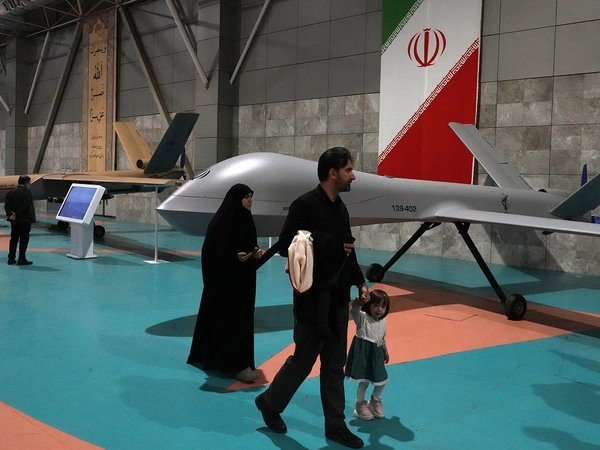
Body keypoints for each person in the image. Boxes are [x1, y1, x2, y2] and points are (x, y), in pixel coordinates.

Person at [255, 147, 369, 449]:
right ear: (333, 173)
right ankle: (269, 403)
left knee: (334, 365)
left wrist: (360, 281)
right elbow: (285, 245)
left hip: (338, 297)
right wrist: (327, 242)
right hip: (311, 299)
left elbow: (348, 249)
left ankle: (336, 426)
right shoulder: (304, 205)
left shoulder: (341, 208)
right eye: (348, 170)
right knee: (303, 361)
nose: (353, 176)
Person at [187, 183, 265, 382]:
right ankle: (235, 366)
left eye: (251, 196)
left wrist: (255, 253)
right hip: (226, 285)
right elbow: (211, 254)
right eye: (246, 197)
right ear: (236, 199)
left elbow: (248, 244)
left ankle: (238, 363)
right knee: (232, 323)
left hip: (244, 282)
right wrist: (233, 258)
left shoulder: (247, 220)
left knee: (242, 321)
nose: (250, 201)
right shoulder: (221, 223)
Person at [345, 289, 390, 421]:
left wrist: (385, 350)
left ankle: (375, 401)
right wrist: (357, 303)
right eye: (375, 305)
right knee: (364, 382)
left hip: (376, 356)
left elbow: (381, 339)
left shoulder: (383, 322)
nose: (379, 309)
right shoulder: (363, 319)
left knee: (382, 380)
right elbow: (354, 311)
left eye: (383, 306)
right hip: (363, 356)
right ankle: (360, 405)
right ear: (369, 305)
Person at [4, 175, 36, 265]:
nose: (30, 184)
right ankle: (21, 258)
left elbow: (7, 205)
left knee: (14, 238)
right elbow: (26, 206)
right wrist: (17, 214)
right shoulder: (27, 193)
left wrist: (11, 215)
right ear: (26, 183)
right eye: (29, 183)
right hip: (24, 220)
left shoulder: (11, 192)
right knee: (24, 239)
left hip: (13, 220)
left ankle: (11, 258)